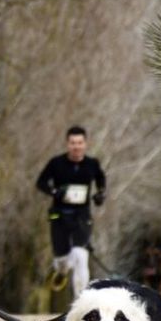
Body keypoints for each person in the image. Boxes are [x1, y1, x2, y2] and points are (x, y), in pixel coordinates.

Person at [35, 125, 106, 298]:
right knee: (62, 259)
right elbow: (41, 183)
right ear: (67, 144)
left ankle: (80, 302)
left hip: (82, 216)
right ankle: (60, 270)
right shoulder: (56, 163)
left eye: (80, 142)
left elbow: (101, 181)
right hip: (59, 215)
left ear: (85, 144)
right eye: (73, 143)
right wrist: (54, 192)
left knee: (81, 254)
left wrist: (100, 194)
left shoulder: (92, 164)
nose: (76, 146)